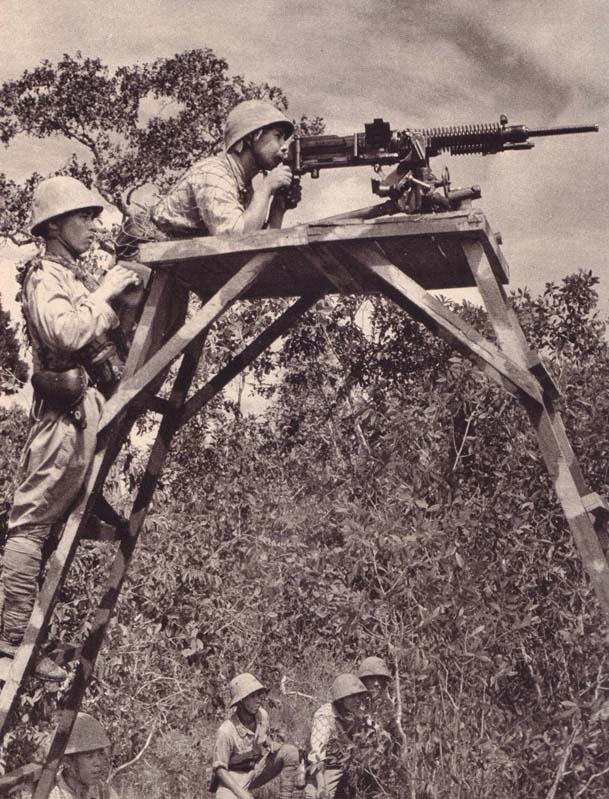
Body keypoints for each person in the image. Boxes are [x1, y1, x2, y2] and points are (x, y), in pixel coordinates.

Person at [0, 176, 139, 681]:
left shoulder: (73, 276)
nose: (91, 225)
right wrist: (106, 291)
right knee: (30, 525)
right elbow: (66, 331)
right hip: (63, 420)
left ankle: (23, 642)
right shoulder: (44, 276)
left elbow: (103, 331)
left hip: (88, 416)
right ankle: (8, 641)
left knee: (50, 527)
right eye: (82, 217)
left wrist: (124, 294)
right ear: (54, 225)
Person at [150, 99, 299, 239]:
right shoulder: (213, 172)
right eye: (278, 136)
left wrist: (278, 206)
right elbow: (233, 239)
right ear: (253, 136)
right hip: (145, 252)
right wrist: (266, 188)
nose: (284, 147)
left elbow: (257, 245)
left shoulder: (242, 186)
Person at [210, 672, 301, 799]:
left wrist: (270, 743)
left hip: (256, 768)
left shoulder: (262, 715)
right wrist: (241, 794)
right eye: (252, 696)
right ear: (240, 701)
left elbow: (263, 737)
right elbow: (220, 769)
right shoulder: (226, 730)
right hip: (233, 776)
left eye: (259, 695)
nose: (258, 700)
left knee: (290, 752)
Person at [305, 673, 370, 799]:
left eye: (358, 696)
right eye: (351, 697)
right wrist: (321, 786)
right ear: (341, 699)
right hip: (329, 764)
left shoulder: (359, 711)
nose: (357, 700)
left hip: (352, 762)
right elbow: (317, 753)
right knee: (317, 796)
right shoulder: (324, 716)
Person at [49, 712, 118, 799]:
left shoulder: (103, 792)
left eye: (101, 754)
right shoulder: (52, 794)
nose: (98, 762)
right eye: (89, 756)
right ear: (67, 762)